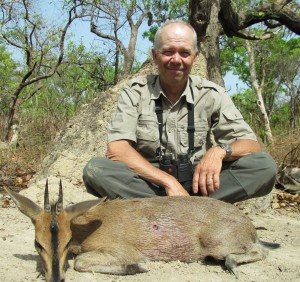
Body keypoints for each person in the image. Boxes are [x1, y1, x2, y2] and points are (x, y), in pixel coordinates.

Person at [83, 20, 277, 203]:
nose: (176, 59)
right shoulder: (135, 92)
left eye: (184, 53)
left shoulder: (212, 94)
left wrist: (219, 152)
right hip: (150, 185)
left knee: (264, 166)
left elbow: (251, 144)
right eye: (168, 52)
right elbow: (117, 150)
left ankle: (183, 209)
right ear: (155, 56)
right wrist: (169, 182)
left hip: (200, 186)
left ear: (195, 57)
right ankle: (184, 211)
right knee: (96, 169)